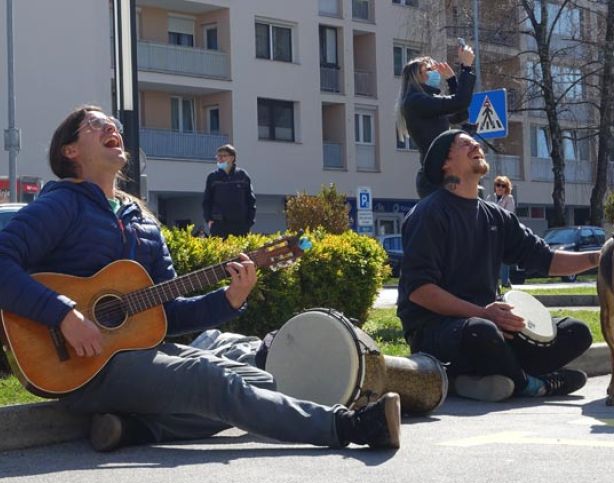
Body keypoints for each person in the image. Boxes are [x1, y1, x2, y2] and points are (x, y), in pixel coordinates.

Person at [0, 106, 400, 452]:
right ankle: (346, 426)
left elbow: (168, 316)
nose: (111, 128)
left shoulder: (143, 223)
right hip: (80, 367)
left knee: (261, 380)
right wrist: (66, 316)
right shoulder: (60, 205)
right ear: (70, 151)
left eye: (112, 124)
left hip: (133, 358)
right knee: (209, 379)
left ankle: (139, 429)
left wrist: (230, 298)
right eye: (95, 125)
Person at [397, 129, 599, 403]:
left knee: (576, 331)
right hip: (438, 331)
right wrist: (483, 312)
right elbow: (420, 291)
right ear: (445, 163)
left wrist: (600, 258)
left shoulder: (496, 217)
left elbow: (545, 259)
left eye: (475, 142)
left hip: (491, 323)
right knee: (483, 332)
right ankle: (531, 384)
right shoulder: (429, 214)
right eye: (465, 144)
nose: (476, 145)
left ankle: (482, 379)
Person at [396, 45, 476, 198]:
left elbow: (460, 114)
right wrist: (466, 67)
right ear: (417, 76)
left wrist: (452, 81)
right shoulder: (416, 101)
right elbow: (460, 102)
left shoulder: (427, 100)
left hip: (442, 175)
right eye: (430, 69)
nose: (436, 73)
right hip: (434, 179)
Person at [202, 144, 256, 237]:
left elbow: (251, 200)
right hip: (219, 225)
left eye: (223, 156)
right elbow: (207, 201)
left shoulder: (242, 175)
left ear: (232, 157)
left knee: (241, 251)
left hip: (240, 224)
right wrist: (209, 220)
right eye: (218, 156)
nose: (220, 158)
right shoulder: (213, 177)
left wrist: (249, 222)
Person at [487, 175, 516, 288]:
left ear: (506, 188)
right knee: (492, 257)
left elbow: (508, 214)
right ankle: (494, 282)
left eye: (503, 186)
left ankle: (504, 281)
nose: (500, 188)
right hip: (491, 231)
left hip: (504, 231)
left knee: (504, 257)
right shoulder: (490, 197)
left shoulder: (509, 199)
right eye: (498, 185)